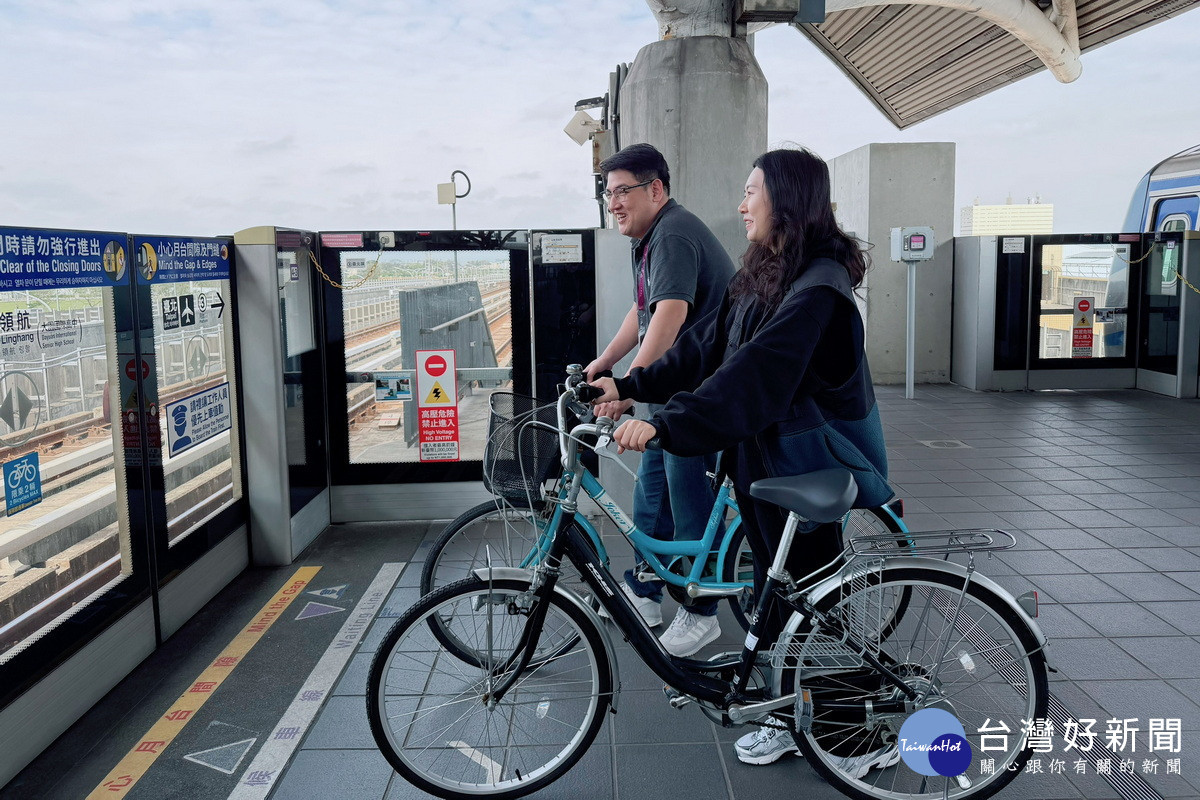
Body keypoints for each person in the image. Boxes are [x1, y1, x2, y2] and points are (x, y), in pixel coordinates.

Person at [591, 148, 896, 773]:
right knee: (777, 592)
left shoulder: (819, 286)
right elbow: (708, 345)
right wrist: (631, 386)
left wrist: (665, 428)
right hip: (772, 459)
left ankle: (859, 737)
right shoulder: (766, 269)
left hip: (816, 464)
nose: (740, 204)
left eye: (750, 191)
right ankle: (793, 716)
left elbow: (755, 377)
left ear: (785, 200)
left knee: (814, 604)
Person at [585, 143, 735, 657]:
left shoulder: (672, 233)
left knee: (689, 500)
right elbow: (641, 309)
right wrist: (605, 365)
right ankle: (646, 591)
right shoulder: (649, 239)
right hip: (673, 390)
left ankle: (702, 611)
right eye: (608, 194)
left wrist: (631, 387)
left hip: (699, 394)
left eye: (623, 191)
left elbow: (670, 314)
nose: (614, 204)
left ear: (656, 189)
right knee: (652, 497)